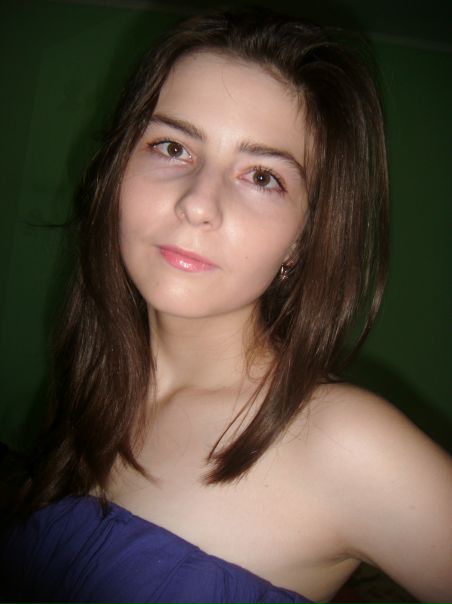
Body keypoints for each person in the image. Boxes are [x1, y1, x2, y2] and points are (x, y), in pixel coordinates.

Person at [1, 8, 451, 604]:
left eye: (262, 177)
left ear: (302, 240)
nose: (198, 202)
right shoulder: (98, 384)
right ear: (117, 168)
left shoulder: (345, 443)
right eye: (172, 146)